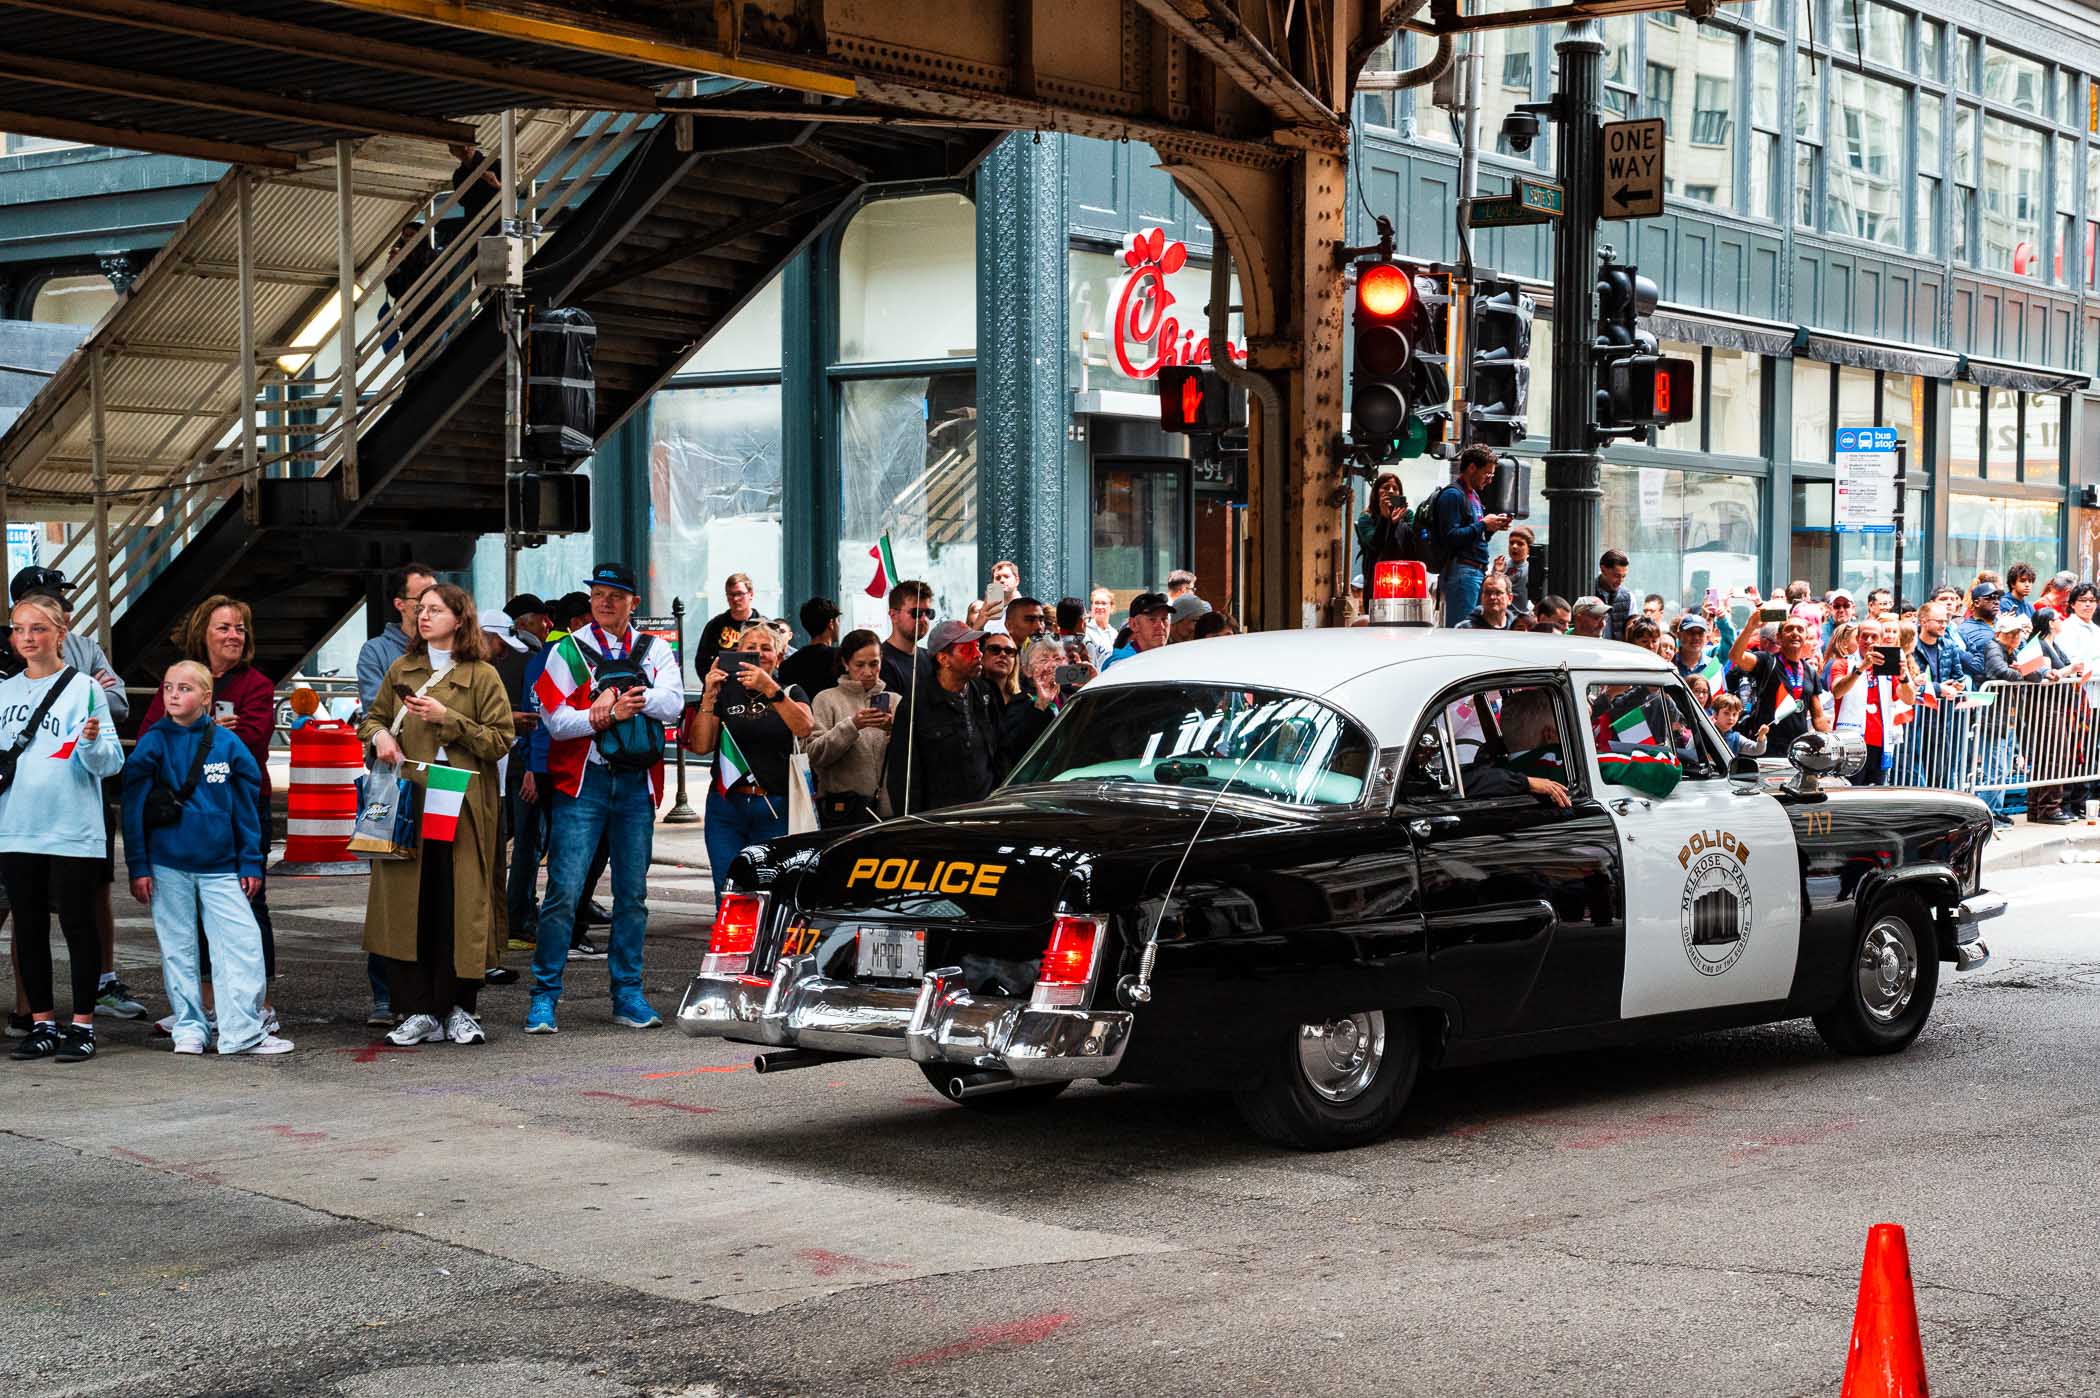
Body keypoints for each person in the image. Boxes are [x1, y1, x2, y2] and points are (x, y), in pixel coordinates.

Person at [527, 563, 686, 1035]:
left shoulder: (654, 647)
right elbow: (556, 723)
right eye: (598, 593)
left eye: (615, 595)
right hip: (586, 783)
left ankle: (628, 994)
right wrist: (602, 717)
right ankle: (544, 997)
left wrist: (618, 700)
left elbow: (674, 703)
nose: (605, 601)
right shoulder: (570, 649)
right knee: (563, 892)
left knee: (632, 896)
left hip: (635, 784)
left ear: (633, 602)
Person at [360, 585, 512, 1047]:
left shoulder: (482, 674)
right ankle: (419, 1008)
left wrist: (449, 718)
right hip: (412, 799)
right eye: (420, 609)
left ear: (459, 619)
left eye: (435, 610)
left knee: (459, 900)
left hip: (463, 802)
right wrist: (380, 737)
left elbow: (500, 740)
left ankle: (460, 1007)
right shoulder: (401, 668)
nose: (423, 617)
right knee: (411, 901)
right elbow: (372, 718)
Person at [122, 661, 288, 1056]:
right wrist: (138, 866)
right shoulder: (153, 742)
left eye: (184, 688)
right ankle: (190, 1028)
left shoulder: (228, 745)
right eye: (167, 687)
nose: (173, 695)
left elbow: (247, 807)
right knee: (178, 949)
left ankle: (240, 1031)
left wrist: (250, 861)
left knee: (242, 945)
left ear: (207, 698)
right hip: (166, 866)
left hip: (220, 867)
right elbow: (132, 808)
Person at [7, 569, 138, 1025]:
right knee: (26, 921)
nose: (29, 635)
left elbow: (114, 721)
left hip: (72, 820)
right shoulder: (6, 687)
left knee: (79, 915)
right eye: (21, 627)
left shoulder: (83, 676)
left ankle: (84, 1016)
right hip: (16, 823)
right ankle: (34, 1016)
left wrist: (90, 739)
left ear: (59, 632)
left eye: (41, 624)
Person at [688, 624, 814, 899]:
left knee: (769, 890)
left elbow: (804, 727)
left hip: (774, 807)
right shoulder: (724, 691)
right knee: (728, 888)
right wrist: (708, 694)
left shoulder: (791, 692)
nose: (759, 654)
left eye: (766, 648)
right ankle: (733, 944)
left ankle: (765, 942)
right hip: (726, 807)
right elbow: (700, 745)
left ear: (779, 657)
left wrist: (769, 687)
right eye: (750, 649)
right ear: (737, 654)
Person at [887, 620, 1001, 817]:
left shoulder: (984, 693)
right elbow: (903, 778)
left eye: (977, 647)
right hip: (940, 819)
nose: (978, 654)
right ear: (943, 659)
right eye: (967, 649)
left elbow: (1000, 753)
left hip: (986, 812)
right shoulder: (916, 705)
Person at [805, 629, 891, 829]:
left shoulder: (895, 700)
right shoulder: (826, 699)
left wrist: (892, 729)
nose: (868, 672)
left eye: (874, 664)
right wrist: (852, 726)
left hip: (888, 812)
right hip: (844, 811)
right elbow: (815, 755)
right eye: (859, 665)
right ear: (845, 663)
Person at [1728, 614, 1831, 749]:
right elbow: (1736, 656)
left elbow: (1818, 717)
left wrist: (1830, 742)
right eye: (1789, 629)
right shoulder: (1766, 661)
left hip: (1797, 750)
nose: (1795, 633)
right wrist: (1750, 627)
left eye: (1800, 630)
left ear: (1805, 638)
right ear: (1779, 637)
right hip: (1765, 748)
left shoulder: (1810, 672)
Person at [1434, 446, 1510, 627]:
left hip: (1475, 571)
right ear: (1472, 468)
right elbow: (1451, 537)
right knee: (1464, 630)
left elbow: (1473, 537)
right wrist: (1483, 524)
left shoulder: (1473, 496)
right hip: (1462, 571)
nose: (1490, 480)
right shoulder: (1452, 495)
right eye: (1487, 474)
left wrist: (1490, 528)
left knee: (1477, 628)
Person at [979, 631, 1059, 767]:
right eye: (995, 649)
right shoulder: (971, 695)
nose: (1003, 654)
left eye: (1010, 651)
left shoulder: (1028, 699)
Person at [693, 572, 763, 682]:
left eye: (740, 594)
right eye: (731, 594)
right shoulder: (715, 625)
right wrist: (711, 682)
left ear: (751, 594)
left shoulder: (763, 626)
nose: (735, 599)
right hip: (722, 687)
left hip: (755, 687)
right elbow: (701, 661)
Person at [880, 580, 938, 700]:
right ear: (893, 615)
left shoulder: (931, 658)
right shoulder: (880, 662)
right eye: (916, 612)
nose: (924, 619)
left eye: (928, 613)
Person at [778, 597, 841, 696]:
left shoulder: (787, 665)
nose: (839, 625)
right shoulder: (842, 659)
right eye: (838, 621)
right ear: (831, 623)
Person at [1355, 472, 1410, 581]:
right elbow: (1375, 545)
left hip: (1403, 573)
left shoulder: (1407, 515)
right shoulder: (1366, 518)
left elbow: (1411, 543)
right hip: (1377, 574)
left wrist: (1397, 523)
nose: (1390, 491)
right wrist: (1385, 519)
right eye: (1385, 487)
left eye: (1395, 488)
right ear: (1376, 493)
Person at [1103, 592, 1172, 668]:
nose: (1161, 626)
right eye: (1152, 619)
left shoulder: (1171, 659)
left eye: (1164, 619)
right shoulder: (1121, 665)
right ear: (1134, 624)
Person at [1710, 693, 1769, 757]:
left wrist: (1761, 736)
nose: (1731, 718)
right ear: (1716, 714)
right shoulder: (1706, 732)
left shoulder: (1736, 738)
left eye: (1734, 714)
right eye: (1726, 713)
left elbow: (1757, 750)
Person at [1593, 550, 1634, 640]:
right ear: (1603, 570)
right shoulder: (1587, 591)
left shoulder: (1628, 597)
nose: (1620, 581)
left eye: (1623, 576)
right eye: (1616, 576)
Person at [1957, 581, 2003, 659]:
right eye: (1989, 598)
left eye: (1998, 598)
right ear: (1977, 603)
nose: (1996, 602)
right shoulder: (1964, 630)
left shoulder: (2004, 624)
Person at [1498, 525, 1537, 617]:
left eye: (1520, 544)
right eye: (1511, 543)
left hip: (1522, 617)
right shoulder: (1501, 566)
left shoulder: (1532, 569)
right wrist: (1498, 572)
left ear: (1529, 549)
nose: (1514, 546)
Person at [1084, 588, 1118, 665]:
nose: (1099, 607)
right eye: (1096, 603)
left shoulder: (1114, 633)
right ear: (1092, 606)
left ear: (1111, 607)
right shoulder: (1085, 630)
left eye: (1103, 603)